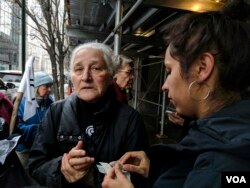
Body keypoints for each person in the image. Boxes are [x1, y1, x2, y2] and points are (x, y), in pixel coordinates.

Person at [102, 0, 250, 187]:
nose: (164, 85)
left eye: (169, 71)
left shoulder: (222, 165)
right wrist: (157, 168)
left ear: (201, 68)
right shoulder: (222, 140)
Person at [28, 42, 149, 187]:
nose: (86, 77)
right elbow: (36, 164)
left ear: (111, 77)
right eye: (78, 69)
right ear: (72, 77)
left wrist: (92, 178)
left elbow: (140, 176)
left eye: (96, 68)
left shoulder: (131, 119)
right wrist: (61, 167)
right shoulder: (55, 112)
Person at [16, 71, 53, 184]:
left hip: (44, 151)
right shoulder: (23, 103)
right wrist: (39, 129)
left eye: (50, 86)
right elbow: (19, 128)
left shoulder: (50, 102)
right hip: (26, 151)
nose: (49, 89)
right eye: (46, 86)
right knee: (26, 181)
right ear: (36, 87)